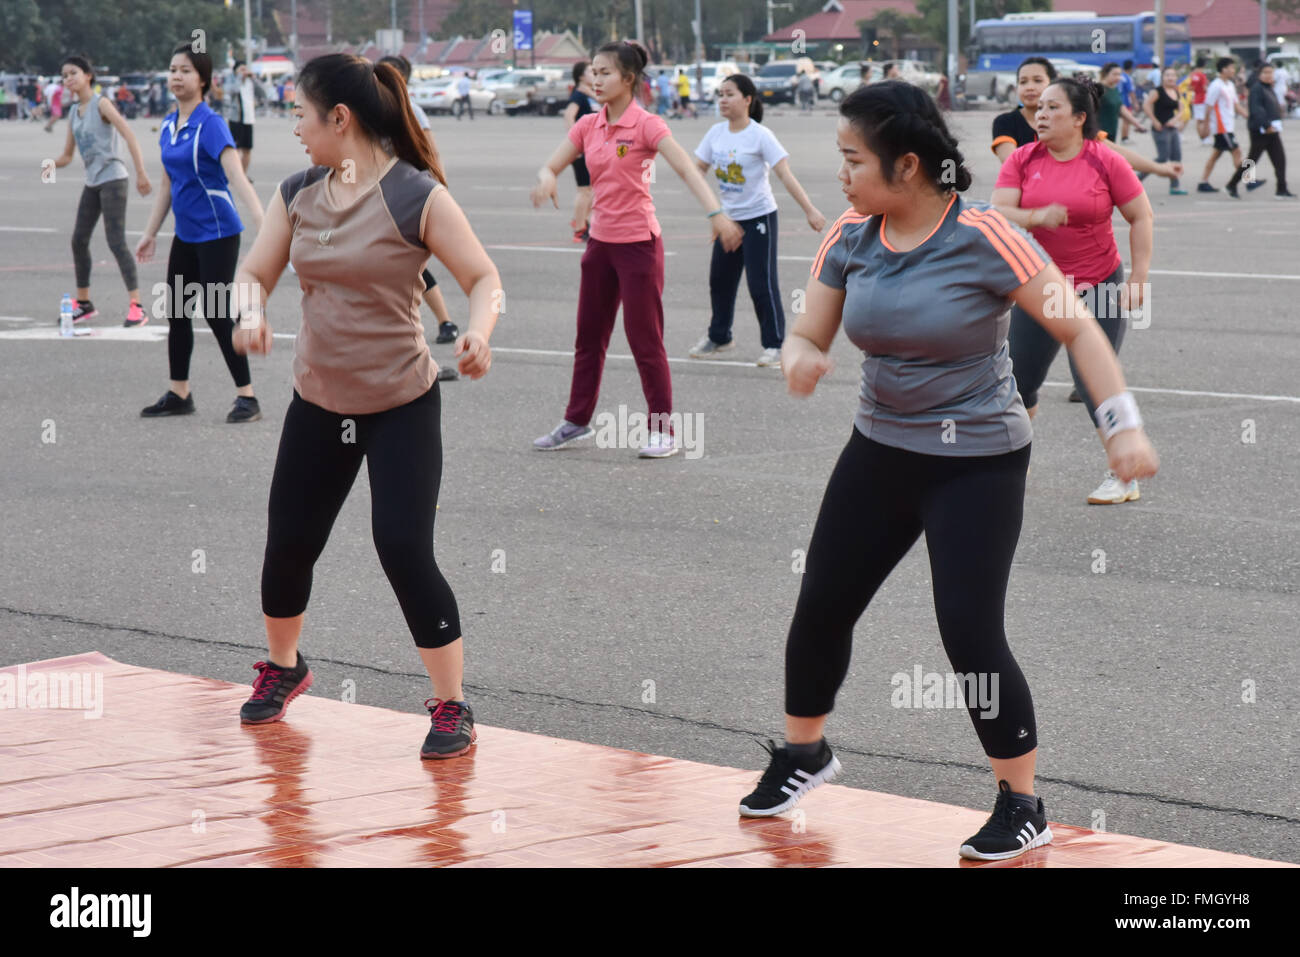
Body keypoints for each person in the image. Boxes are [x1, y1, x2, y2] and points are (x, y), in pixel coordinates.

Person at [737, 80, 1158, 861]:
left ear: (906, 165)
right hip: (880, 449)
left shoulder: (985, 234)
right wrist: (800, 356)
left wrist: (1120, 426)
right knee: (822, 601)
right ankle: (804, 753)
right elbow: (809, 330)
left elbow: (1079, 326)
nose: (842, 173)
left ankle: (1022, 801)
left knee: (969, 630)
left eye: (852, 158)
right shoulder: (851, 234)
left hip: (977, 462)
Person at [228, 54, 500, 757]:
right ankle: (284, 669)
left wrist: (478, 330)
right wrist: (250, 310)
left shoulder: (416, 195)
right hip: (320, 400)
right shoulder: (297, 194)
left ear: (339, 120)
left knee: (403, 545)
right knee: (288, 542)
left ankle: (451, 704)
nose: (295, 128)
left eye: (300, 114)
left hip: (400, 401)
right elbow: (254, 271)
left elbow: (483, 277)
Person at [530, 40, 742, 458]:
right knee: (589, 337)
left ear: (629, 79)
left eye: (605, 72)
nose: (596, 79)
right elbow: (551, 163)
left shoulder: (647, 125)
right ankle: (576, 421)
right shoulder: (589, 125)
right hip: (599, 247)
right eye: (593, 71)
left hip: (639, 247)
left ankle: (663, 429)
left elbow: (685, 169)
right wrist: (547, 177)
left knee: (645, 339)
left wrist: (716, 213)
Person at [992, 77, 1155, 505]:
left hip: (1098, 282)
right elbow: (999, 211)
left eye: (1052, 108)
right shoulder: (1024, 159)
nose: (1040, 115)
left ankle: (1123, 474)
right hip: (1039, 285)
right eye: (1039, 108)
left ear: (1080, 118)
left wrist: (1138, 279)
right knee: (1018, 382)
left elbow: (1140, 216)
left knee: (1092, 382)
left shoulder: (1106, 161)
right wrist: (1036, 215)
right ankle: (1009, 468)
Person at [134, 42, 265, 423]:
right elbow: (166, 186)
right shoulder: (170, 126)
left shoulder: (211, 125)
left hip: (219, 232)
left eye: (185, 70)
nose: (176, 75)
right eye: (172, 69)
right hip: (187, 235)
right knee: (177, 311)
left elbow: (237, 179)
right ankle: (180, 393)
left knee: (216, 313)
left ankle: (248, 397)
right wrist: (150, 233)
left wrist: (266, 231)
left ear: (203, 80)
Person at [689, 73, 825, 367]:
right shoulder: (715, 134)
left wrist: (810, 210)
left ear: (747, 100)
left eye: (729, 94)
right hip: (728, 221)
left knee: (760, 282)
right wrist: (713, 214)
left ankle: (775, 345)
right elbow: (695, 171)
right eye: (720, 95)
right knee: (719, 281)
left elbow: (785, 174)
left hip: (759, 217)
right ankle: (720, 336)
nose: (723, 100)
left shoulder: (760, 135)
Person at [52, 55, 153, 327]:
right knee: (78, 239)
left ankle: (137, 306)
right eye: (64, 75)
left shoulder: (101, 104)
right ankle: (84, 303)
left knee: (115, 241)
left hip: (113, 180)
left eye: (73, 73)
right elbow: (66, 155)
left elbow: (129, 134)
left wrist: (141, 173)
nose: (68, 79)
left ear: (88, 75)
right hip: (93, 182)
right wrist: (48, 165)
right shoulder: (74, 112)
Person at [379, 55, 461, 352]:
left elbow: (431, 151)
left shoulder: (413, 111)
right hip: (386, 194)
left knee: (412, 265)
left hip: (413, 195)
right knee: (403, 266)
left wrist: (441, 186)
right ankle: (441, 323)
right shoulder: (376, 112)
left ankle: (442, 322)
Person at [1226, 63, 1295, 199]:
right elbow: (1257, 110)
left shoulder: (1268, 88)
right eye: (1266, 72)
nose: (1269, 75)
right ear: (1259, 74)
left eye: (1271, 72)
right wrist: (1267, 125)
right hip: (1260, 131)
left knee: (1279, 160)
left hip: (1272, 131)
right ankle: (1231, 185)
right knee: (1252, 160)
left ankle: (1281, 189)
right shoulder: (1257, 89)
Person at [1199, 58, 1250, 193]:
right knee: (1237, 151)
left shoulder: (1230, 85)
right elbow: (1209, 106)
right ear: (1223, 69)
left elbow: (1236, 105)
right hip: (1221, 127)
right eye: (1231, 68)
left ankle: (1203, 182)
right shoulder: (1216, 86)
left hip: (1229, 125)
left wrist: (1248, 116)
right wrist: (1206, 125)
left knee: (1215, 155)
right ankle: (1249, 180)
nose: (1233, 70)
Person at [563, 61, 598, 242]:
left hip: (591, 148)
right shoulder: (578, 95)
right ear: (581, 76)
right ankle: (579, 228)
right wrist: (575, 143)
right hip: (580, 149)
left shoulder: (586, 94)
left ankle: (581, 220)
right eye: (591, 72)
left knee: (592, 190)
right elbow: (569, 115)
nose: (594, 75)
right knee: (584, 190)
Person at [1141, 66, 1190, 195]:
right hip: (1160, 129)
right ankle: (1136, 179)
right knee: (1162, 158)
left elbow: (1181, 109)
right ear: (1162, 78)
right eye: (1167, 75)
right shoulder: (1158, 91)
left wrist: (1175, 120)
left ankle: (1175, 186)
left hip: (1172, 129)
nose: (1170, 78)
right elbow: (1146, 105)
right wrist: (1154, 120)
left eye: (1173, 75)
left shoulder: (1176, 91)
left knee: (1176, 157)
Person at [223, 60, 257, 176]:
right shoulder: (231, 80)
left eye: (245, 69)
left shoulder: (250, 81)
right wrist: (239, 78)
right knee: (235, 149)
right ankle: (235, 175)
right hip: (235, 118)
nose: (244, 72)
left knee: (247, 149)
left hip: (248, 118)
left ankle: (243, 174)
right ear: (235, 71)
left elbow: (263, 92)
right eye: (241, 69)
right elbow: (232, 90)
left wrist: (254, 79)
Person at [1098, 63, 1146, 143]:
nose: (1118, 77)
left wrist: (1137, 124)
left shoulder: (1115, 89)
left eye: (1119, 74)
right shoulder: (1099, 89)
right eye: (1115, 74)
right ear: (1106, 73)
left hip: (1112, 131)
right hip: (1099, 132)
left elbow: (1121, 108)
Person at [1183, 57, 1212, 144]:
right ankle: (1204, 138)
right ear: (1204, 65)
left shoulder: (1194, 75)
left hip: (1196, 100)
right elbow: (1204, 88)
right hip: (1203, 99)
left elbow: (1190, 87)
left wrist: (1196, 91)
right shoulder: (1202, 75)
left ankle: (1202, 138)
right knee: (1204, 120)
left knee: (1199, 120)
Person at [1118, 60, 1137, 141]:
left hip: (1119, 100)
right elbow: (1131, 91)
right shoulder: (1128, 78)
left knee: (1125, 120)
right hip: (1126, 101)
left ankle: (1124, 137)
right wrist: (1135, 103)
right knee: (1127, 120)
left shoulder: (1120, 76)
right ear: (1131, 68)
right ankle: (1124, 138)